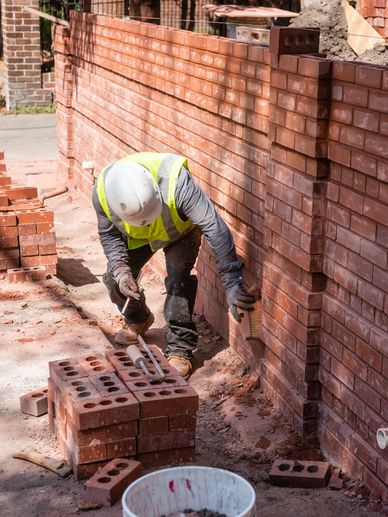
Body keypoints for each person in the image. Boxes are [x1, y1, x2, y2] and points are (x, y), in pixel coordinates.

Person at [93, 152, 255, 379]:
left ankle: (180, 349)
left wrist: (231, 282)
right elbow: (109, 237)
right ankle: (139, 318)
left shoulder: (177, 182)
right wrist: (121, 271)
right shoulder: (103, 191)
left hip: (180, 232)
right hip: (139, 237)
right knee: (115, 280)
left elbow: (214, 227)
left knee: (178, 281)